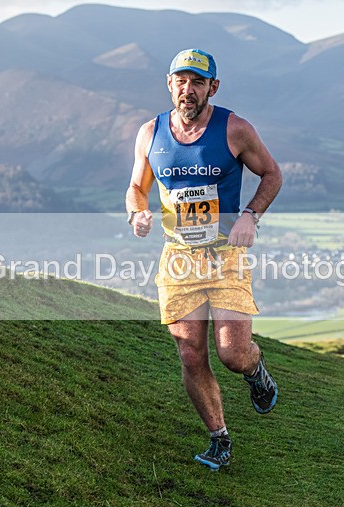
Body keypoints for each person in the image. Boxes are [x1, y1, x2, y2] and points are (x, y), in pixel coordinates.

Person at [125, 49, 283, 471]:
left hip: (225, 255)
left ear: (213, 87)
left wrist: (250, 215)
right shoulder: (150, 133)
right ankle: (219, 437)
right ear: (169, 83)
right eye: (180, 80)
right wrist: (137, 211)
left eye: (197, 82)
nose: (187, 90)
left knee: (232, 353)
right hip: (178, 258)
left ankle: (255, 371)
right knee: (191, 354)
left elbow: (272, 173)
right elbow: (136, 187)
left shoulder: (235, 129)